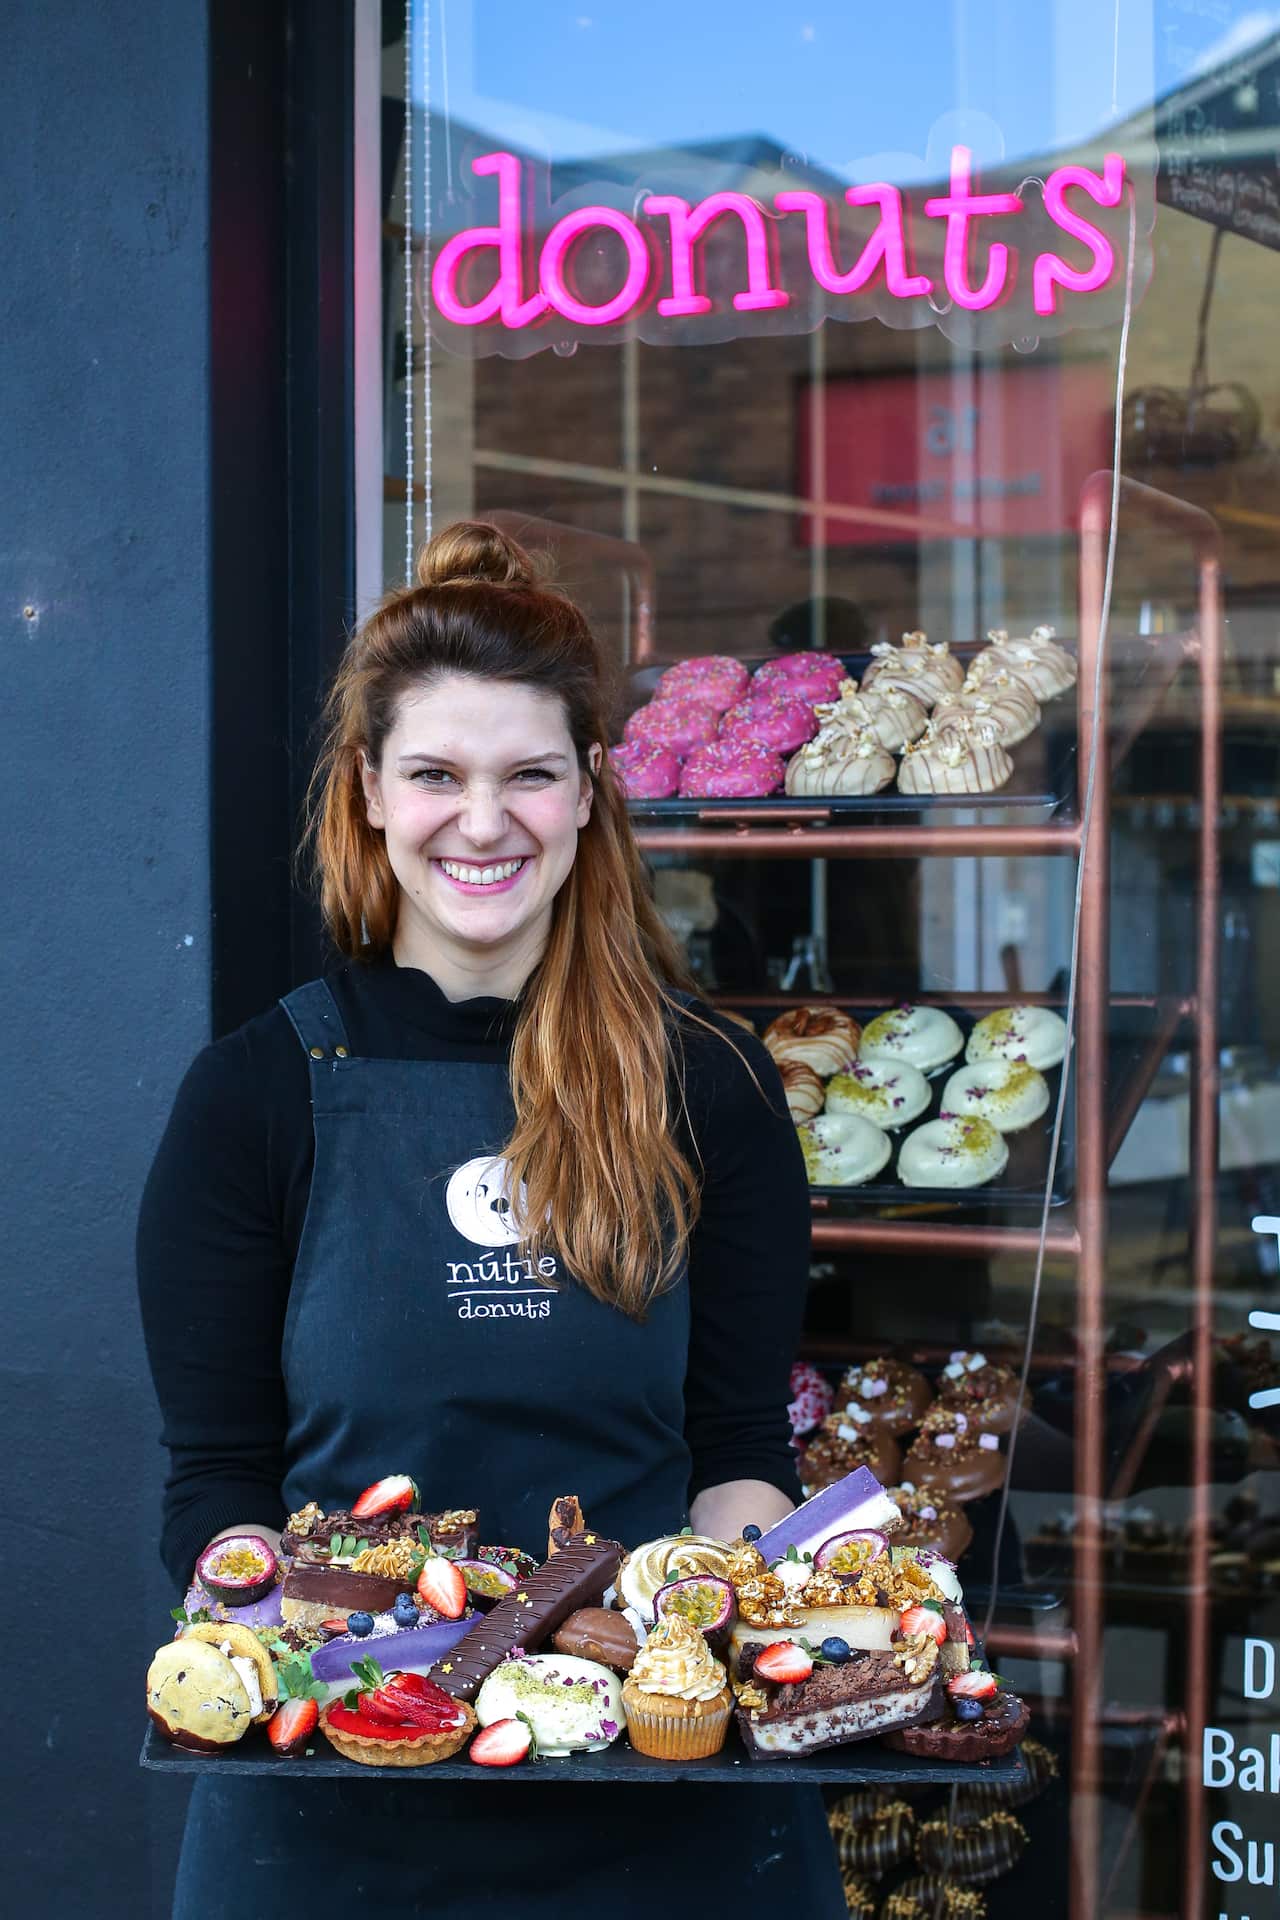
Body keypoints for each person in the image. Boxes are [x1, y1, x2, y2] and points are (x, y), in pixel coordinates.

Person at [137, 521, 846, 1918]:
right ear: (368, 792)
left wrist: (691, 1649)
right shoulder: (260, 1094)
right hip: (333, 1812)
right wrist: (270, 1646)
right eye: (436, 775)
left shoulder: (708, 1082)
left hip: (665, 1810)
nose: (482, 820)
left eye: (529, 774)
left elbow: (743, 1452)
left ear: (590, 794)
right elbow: (217, 1487)